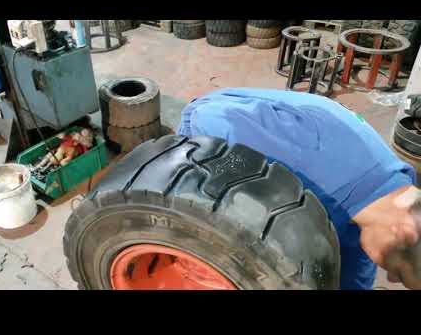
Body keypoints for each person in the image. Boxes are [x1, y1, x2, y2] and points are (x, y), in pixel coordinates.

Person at [177, 87, 421, 290]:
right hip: (211, 129)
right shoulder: (308, 156)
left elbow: (355, 272)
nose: (389, 280)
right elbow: (207, 116)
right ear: (404, 231)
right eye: (398, 273)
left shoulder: (386, 204)